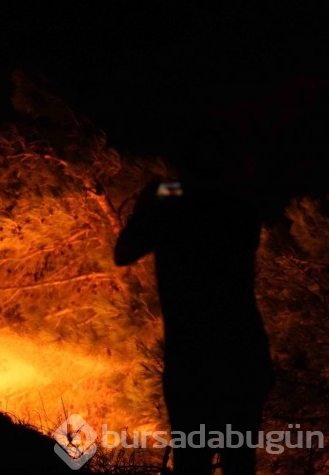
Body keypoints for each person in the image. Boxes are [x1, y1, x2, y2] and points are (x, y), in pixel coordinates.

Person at [113, 128, 275, 474]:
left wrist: (157, 196)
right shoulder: (240, 207)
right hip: (242, 354)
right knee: (238, 459)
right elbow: (226, 191)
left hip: (193, 359)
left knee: (193, 461)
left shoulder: (173, 210)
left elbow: (124, 252)